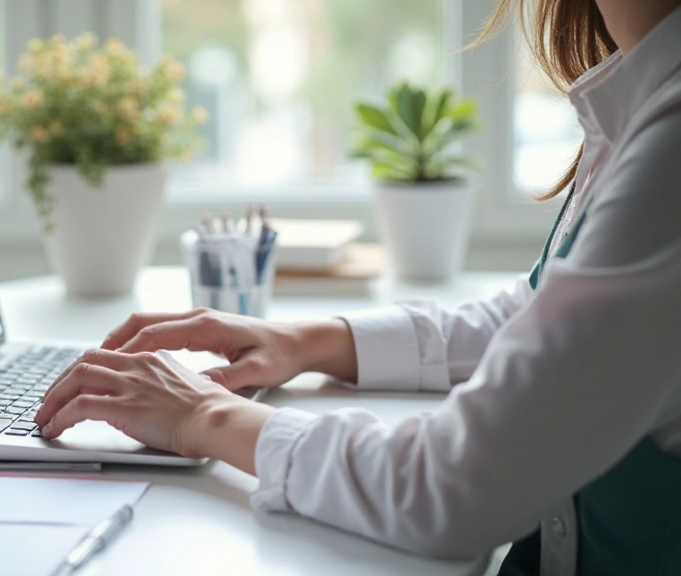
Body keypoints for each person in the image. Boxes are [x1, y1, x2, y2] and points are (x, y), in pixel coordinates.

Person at [36, 0, 681, 573]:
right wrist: (311, 341)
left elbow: (452, 488)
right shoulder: (645, 99)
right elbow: (543, 318)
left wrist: (203, 414)